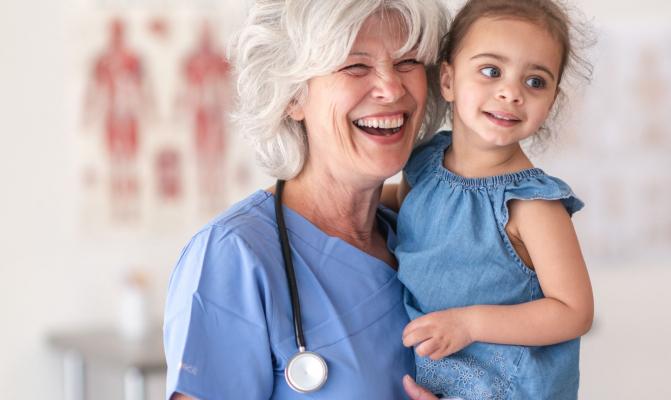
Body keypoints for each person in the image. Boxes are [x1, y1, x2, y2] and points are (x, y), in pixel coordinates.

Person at [162, 0, 449, 398]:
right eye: (355, 65)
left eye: (408, 62)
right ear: (293, 96)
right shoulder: (234, 258)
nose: (392, 87)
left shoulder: (430, 236)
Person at [383, 0, 595, 398]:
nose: (511, 92)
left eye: (535, 81)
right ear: (447, 80)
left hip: (509, 388)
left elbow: (574, 311)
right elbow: (408, 206)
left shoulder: (532, 204)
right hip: (432, 373)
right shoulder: (425, 163)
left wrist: (470, 324)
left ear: (550, 103)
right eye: (491, 71)